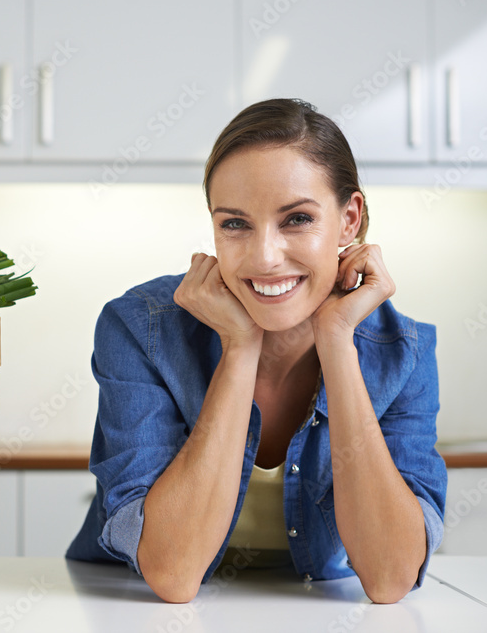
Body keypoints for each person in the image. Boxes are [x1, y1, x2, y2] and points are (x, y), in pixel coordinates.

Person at [65, 98, 447, 604]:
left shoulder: (404, 354)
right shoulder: (139, 329)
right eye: (235, 224)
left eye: (297, 219)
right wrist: (239, 347)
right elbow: (174, 574)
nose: (265, 257)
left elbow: (389, 577)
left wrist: (336, 342)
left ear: (350, 218)